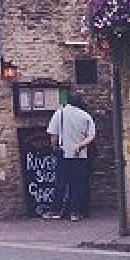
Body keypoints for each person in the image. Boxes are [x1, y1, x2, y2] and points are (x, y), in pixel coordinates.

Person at [43, 91, 96, 221]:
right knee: (77, 184)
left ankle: (56, 211)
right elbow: (91, 136)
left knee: (60, 183)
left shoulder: (59, 113)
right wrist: (80, 145)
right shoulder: (85, 116)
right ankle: (75, 213)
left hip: (63, 153)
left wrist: (55, 147)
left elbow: (53, 136)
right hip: (80, 155)